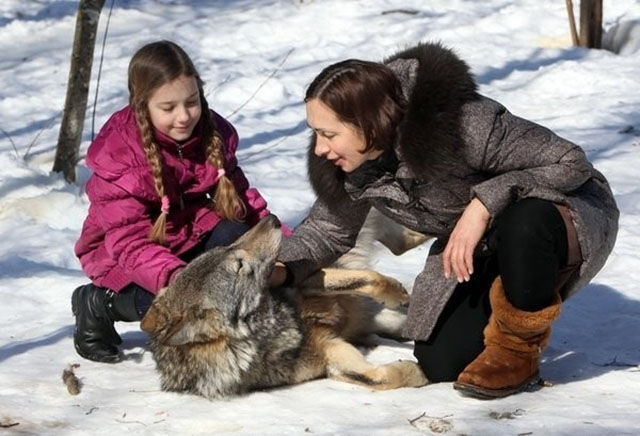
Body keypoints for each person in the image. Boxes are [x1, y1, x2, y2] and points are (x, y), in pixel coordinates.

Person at [269, 42, 619, 399]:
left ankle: (517, 352)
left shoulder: (464, 123)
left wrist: (481, 205)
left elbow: (571, 164)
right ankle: (508, 286)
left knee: (525, 223)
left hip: (566, 213)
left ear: (368, 123)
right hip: (480, 244)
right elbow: (328, 230)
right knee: (442, 362)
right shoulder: (351, 168)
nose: (318, 148)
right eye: (314, 132)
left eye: (329, 134)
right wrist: (280, 266)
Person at [73, 40, 286, 363]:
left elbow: (246, 202)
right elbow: (129, 243)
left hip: (189, 235)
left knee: (236, 231)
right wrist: (183, 282)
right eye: (168, 108)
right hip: (124, 256)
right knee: (163, 302)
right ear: (142, 105)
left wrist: (287, 248)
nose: (184, 116)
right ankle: (99, 304)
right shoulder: (119, 156)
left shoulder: (211, 134)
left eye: (192, 102)